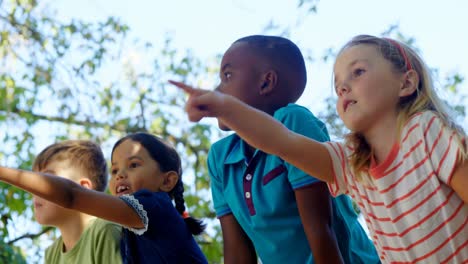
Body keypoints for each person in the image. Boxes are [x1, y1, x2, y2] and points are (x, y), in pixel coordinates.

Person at [170, 34, 468, 263]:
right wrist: (225, 106)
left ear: (406, 82)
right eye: (337, 83)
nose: (342, 87)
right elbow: (281, 141)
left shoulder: (425, 131)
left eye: (358, 72)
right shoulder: (351, 163)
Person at [174, 35, 379, 264]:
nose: (217, 89)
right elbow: (238, 254)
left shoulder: (293, 121)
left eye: (227, 76)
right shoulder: (220, 158)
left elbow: (322, 229)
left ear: (266, 82)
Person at [0, 132, 208, 264]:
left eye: (133, 165)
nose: (120, 175)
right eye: (115, 169)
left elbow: (71, 196)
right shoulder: (130, 231)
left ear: (167, 181)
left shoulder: (155, 207)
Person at [32, 140, 122, 264]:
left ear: (83, 189)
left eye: (47, 178)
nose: (35, 188)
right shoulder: (52, 253)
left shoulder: (105, 232)